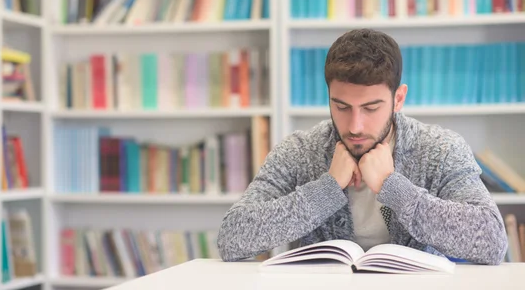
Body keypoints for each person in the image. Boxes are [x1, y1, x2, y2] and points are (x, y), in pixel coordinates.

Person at [217, 28, 508, 265]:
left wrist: (393, 187)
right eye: (341, 106)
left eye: (371, 108)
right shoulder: (299, 151)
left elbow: (492, 241)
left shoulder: (440, 150)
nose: (355, 126)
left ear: (398, 99)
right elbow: (232, 238)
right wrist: (326, 189)